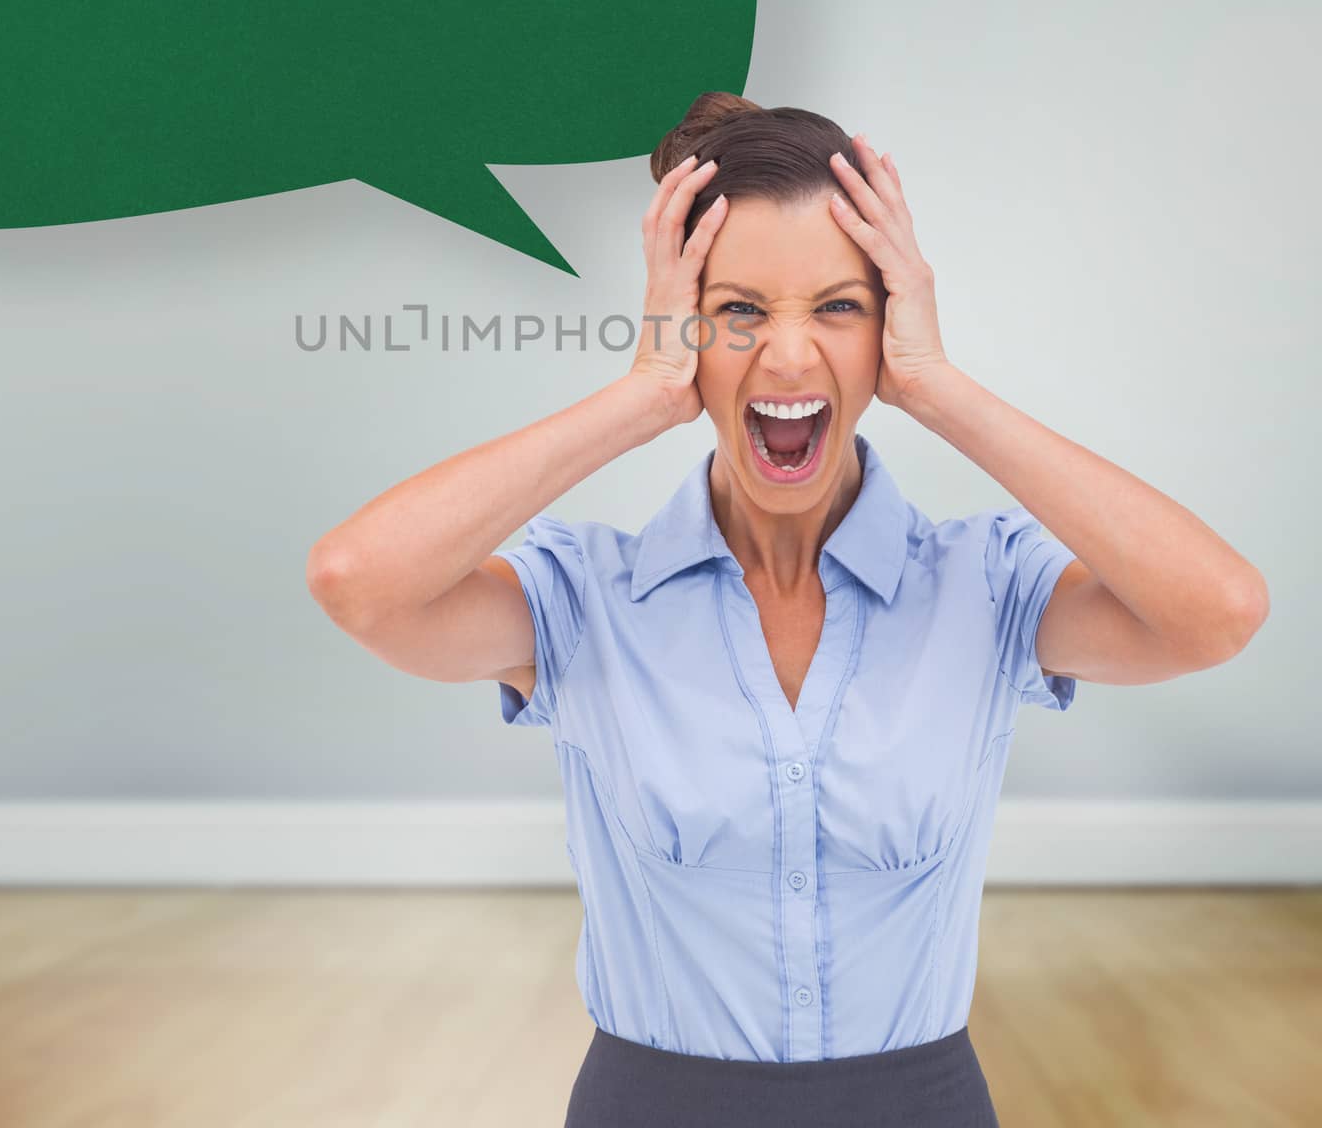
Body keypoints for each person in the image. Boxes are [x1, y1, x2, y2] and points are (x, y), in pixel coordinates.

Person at [307, 92, 1268, 1126]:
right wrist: (641, 393)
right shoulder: (582, 600)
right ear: (688, 326)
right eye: (739, 310)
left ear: (889, 325)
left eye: (838, 306)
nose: (791, 358)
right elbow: (358, 581)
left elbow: (1216, 611)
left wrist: (938, 386)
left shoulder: (983, 587)